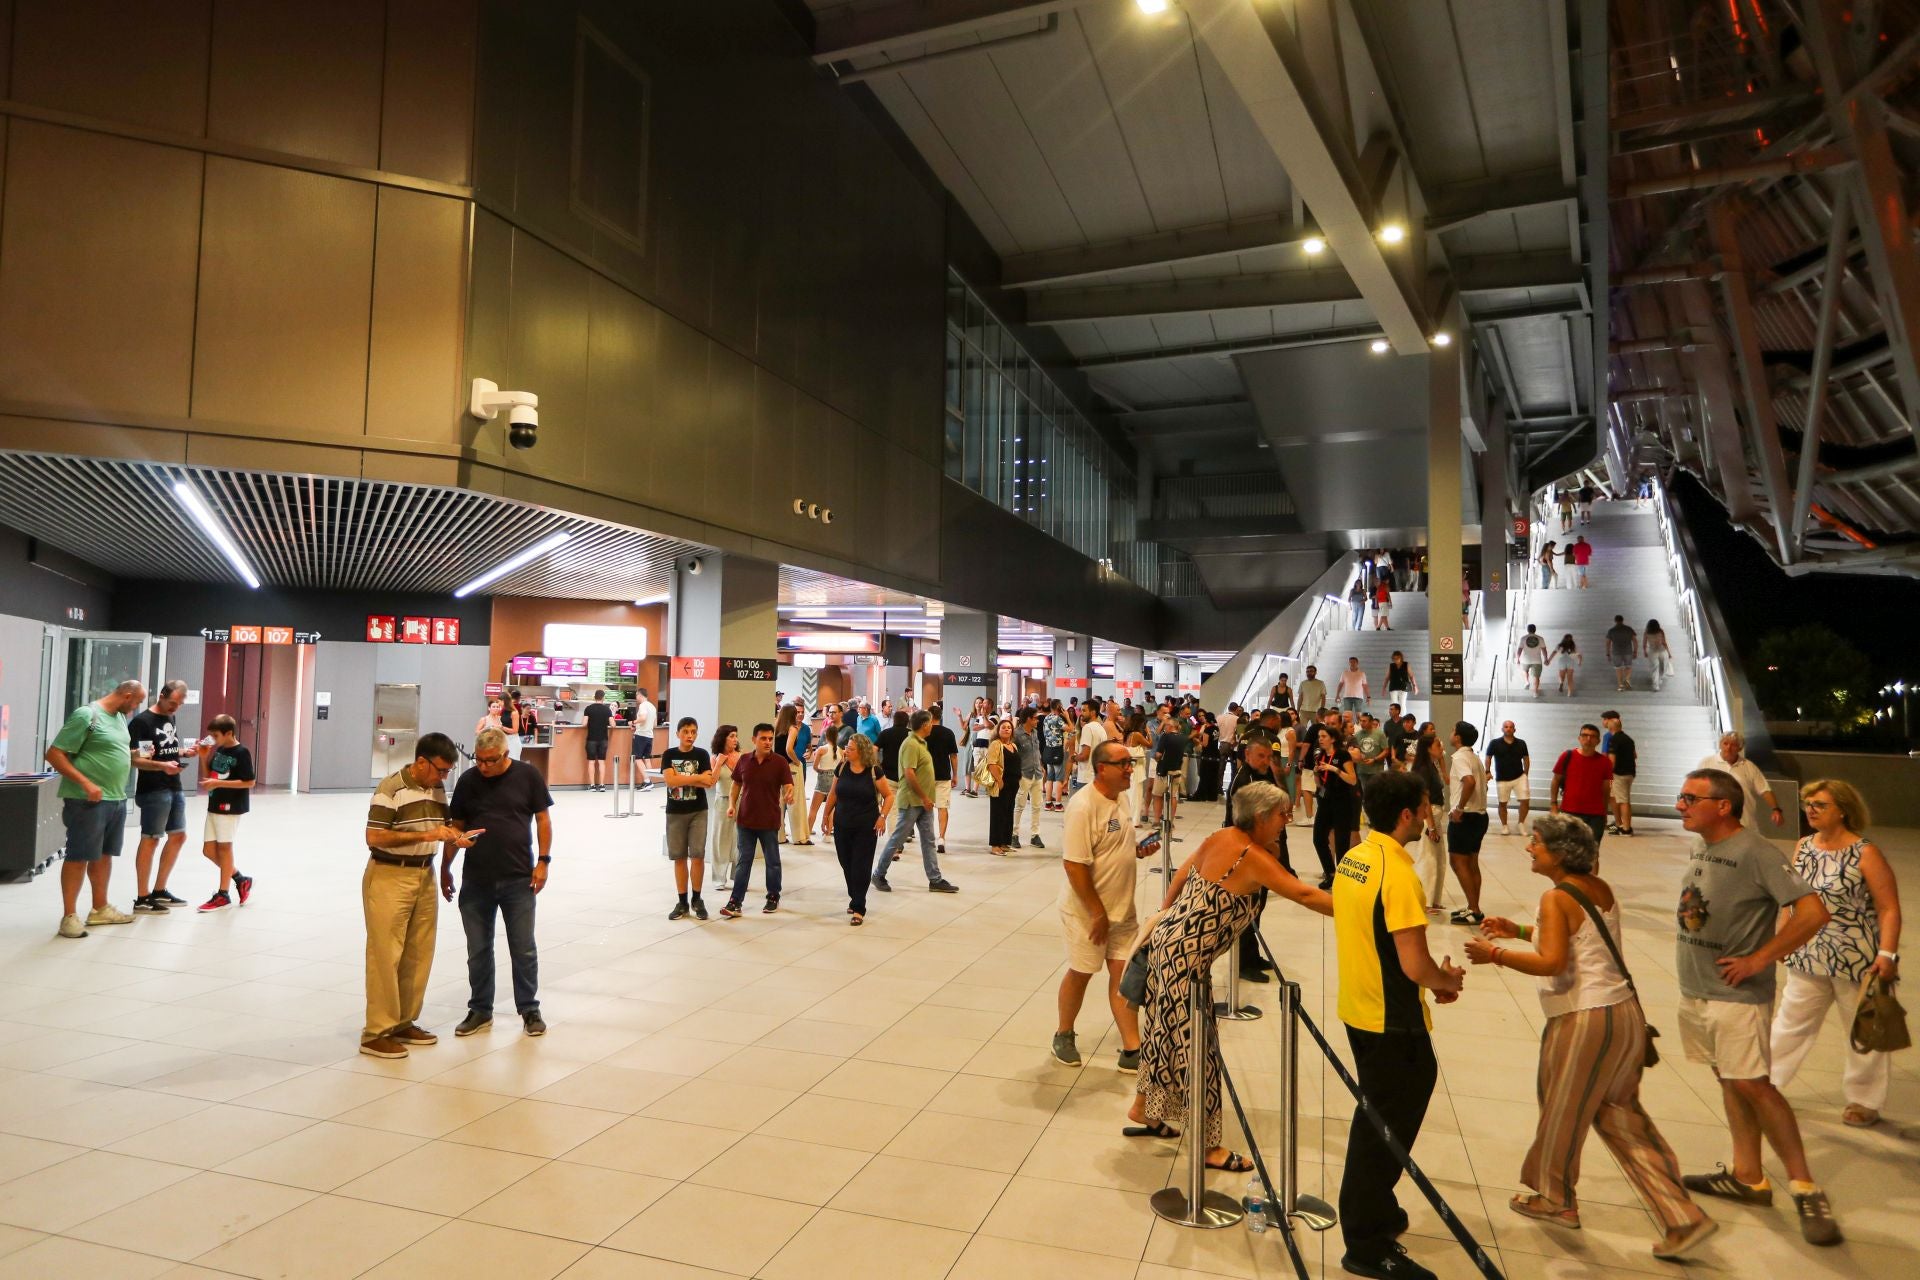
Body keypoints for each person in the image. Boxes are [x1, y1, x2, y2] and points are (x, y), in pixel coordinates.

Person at [1464, 814, 1716, 1259]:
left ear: (1560, 853)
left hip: (1584, 1019)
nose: (1529, 848)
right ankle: (1682, 1216)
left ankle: (1556, 1200)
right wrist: (1520, 930)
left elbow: (1554, 963)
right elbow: (1582, 941)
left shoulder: (1555, 897)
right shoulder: (1598, 887)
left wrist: (1496, 953)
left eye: (1537, 842)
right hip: (1623, 1016)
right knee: (1622, 1118)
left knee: (1562, 1109)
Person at [1671, 770, 1841, 1246]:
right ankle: (1748, 1176)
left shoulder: (1756, 851)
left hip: (1736, 995)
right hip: (1699, 987)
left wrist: (1761, 957)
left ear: (1723, 805)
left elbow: (1812, 912)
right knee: (1729, 1077)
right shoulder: (1702, 846)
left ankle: (1806, 1187)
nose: (1680, 805)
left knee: (1754, 1084)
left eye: (1690, 798)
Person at [1126, 781, 1331, 1160]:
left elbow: (1183, 874)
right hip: (1185, 961)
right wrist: (1364, 911)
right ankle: (1208, 1146)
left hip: (1168, 948)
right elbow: (1302, 893)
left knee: (1162, 1035)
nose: (1286, 821)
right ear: (1261, 817)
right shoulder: (1250, 856)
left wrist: (1165, 915)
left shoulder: (1222, 837)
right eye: (1281, 815)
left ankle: (1143, 1108)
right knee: (1196, 1050)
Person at [1333, 772, 1465, 1280]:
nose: (1428, 814)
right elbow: (1414, 964)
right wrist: (1444, 982)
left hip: (1359, 1007)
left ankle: (1380, 1211)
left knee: (1378, 1117)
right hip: (1392, 1019)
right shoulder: (1398, 873)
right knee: (1381, 1130)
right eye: (1426, 806)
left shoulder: (1356, 858)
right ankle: (1365, 1243)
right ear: (1408, 814)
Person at [1769, 779, 1902, 1129]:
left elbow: (1888, 908)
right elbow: (1792, 898)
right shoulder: (1804, 846)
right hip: (1808, 953)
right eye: (1807, 803)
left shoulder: (1865, 852)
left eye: (1820, 804)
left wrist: (1887, 953)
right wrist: (1781, 941)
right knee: (1790, 1024)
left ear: (1842, 810)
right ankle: (1766, 1084)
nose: (1810, 810)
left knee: (1863, 1031)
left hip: (1857, 959)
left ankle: (1864, 1100)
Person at [362, 732, 474, 1059]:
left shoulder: (435, 789)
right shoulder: (390, 789)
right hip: (389, 875)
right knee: (386, 954)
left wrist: (457, 836)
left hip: (423, 873)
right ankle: (376, 1032)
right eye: (440, 770)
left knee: (418, 951)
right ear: (421, 761)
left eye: (447, 772)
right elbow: (373, 836)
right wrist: (430, 834)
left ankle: (403, 1021)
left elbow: (444, 825)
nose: (443, 777)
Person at [1053, 740, 1160, 1069]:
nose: (1130, 769)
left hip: (1121, 911)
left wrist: (1138, 851)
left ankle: (1132, 1049)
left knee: (1123, 975)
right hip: (1087, 912)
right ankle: (1064, 1034)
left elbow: (1117, 843)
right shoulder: (1084, 806)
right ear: (1101, 769)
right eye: (1123, 764)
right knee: (1082, 971)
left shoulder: (1123, 798)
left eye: (1130, 763)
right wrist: (1097, 912)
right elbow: (1074, 865)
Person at [444, 727, 553, 1037]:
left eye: (490, 761)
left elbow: (543, 820)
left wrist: (543, 862)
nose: (484, 767)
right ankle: (480, 1009)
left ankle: (529, 1009)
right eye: (479, 760)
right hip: (476, 880)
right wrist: (445, 868)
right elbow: (456, 828)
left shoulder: (527, 776)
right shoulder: (468, 781)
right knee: (478, 949)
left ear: (506, 754)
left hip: (518, 878)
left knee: (523, 949)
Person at [45, 678, 146, 938]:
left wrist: (141, 758)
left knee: (104, 854)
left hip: (115, 798)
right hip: (86, 800)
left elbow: (116, 752)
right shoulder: (86, 715)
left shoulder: (120, 718)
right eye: (137, 702)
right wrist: (86, 783)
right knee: (79, 855)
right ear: (126, 695)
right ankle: (69, 916)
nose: (136, 707)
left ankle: (100, 908)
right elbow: (54, 754)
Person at [1225, 729, 1290, 983]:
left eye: (1268, 757)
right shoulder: (1243, 781)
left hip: (1262, 849)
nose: (1265, 761)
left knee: (1258, 906)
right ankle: (1243, 963)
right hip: (1246, 851)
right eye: (1261, 756)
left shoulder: (1263, 776)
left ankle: (1252, 955)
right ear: (1248, 754)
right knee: (1246, 908)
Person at [873, 711, 959, 894]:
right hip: (913, 801)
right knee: (897, 838)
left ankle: (935, 879)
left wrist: (926, 798)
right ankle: (878, 874)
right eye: (929, 723)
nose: (931, 726)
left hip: (923, 802)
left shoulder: (921, 743)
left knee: (928, 841)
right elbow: (909, 773)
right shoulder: (911, 744)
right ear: (925, 724)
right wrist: (924, 796)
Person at [130, 680, 194, 914]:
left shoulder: (170, 717)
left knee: (178, 836)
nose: (175, 708)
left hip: (173, 785)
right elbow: (137, 760)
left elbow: (161, 749)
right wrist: (162, 767)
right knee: (152, 838)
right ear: (162, 695)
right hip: (153, 789)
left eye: (179, 705)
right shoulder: (142, 722)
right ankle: (142, 896)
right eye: (172, 703)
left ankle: (159, 889)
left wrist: (182, 752)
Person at [719, 723, 794, 918]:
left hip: (769, 820)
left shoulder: (780, 762)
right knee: (744, 861)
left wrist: (789, 794)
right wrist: (732, 805)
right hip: (746, 820)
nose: (768, 742)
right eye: (763, 738)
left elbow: (788, 785)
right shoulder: (744, 760)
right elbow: (736, 784)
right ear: (754, 740)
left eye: (770, 738)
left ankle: (773, 895)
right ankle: (735, 901)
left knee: (772, 861)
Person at [823, 733, 891, 925]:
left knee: (860, 866)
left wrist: (882, 817)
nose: (846, 751)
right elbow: (833, 793)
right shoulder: (842, 767)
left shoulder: (874, 771)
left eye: (851, 749)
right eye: (846, 747)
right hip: (842, 825)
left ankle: (859, 907)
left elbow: (889, 796)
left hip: (865, 826)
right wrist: (826, 814)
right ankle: (855, 896)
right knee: (846, 863)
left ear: (861, 751)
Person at [196, 714, 257, 912]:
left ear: (228, 733)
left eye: (215, 735)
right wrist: (204, 757)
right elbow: (209, 778)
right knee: (208, 850)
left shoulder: (242, 752)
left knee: (224, 848)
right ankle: (240, 878)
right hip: (214, 804)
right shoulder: (220, 750)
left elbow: (250, 782)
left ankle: (223, 894)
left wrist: (219, 783)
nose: (212, 739)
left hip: (230, 806)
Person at [660, 717, 716, 921]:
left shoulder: (701, 754)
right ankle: (682, 901)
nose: (689, 736)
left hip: (698, 811)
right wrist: (697, 778)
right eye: (685, 732)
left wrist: (682, 779)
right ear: (678, 734)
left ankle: (697, 899)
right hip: (675, 812)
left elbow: (708, 781)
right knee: (679, 857)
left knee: (698, 855)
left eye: (693, 731)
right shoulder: (669, 754)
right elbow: (670, 780)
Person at [1445, 721, 1489, 927]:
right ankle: (1474, 907)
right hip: (1479, 816)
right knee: (1472, 862)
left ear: (1459, 737)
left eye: (1453, 730)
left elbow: (1469, 782)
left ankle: (1474, 909)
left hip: (1465, 817)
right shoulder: (1474, 757)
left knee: (1458, 862)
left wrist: (1459, 808)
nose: (1451, 732)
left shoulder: (1460, 757)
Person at [1695, 733, 1785, 832]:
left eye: (1733, 745)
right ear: (1720, 745)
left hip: (1744, 820)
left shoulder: (1748, 766)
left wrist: (1776, 809)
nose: (1728, 748)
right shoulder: (1707, 763)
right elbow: (1695, 786)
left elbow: (1764, 789)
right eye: (1725, 743)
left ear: (1740, 748)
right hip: (1714, 819)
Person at [1309, 724, 1359, 891]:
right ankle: (1330, 873)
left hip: (1342, 802)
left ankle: (1343, 879)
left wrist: (1334, 769)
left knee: (1341, 843)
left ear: (1333, 739)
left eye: (1323, 736)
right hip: (1325, 801)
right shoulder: (1320, 755)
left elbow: (1353, 780)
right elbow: (1319, 783)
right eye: (1319, 737)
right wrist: (1316, 772)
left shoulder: (1342, 755)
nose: (1320, 739)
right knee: (1318, 838)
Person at [1550, 724, 1613, 851]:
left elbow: (1606, 789)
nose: (1588, 739)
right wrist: (1553, 805)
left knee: (1592, 852)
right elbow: (1556, 780)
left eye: (1593, 736)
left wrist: (1604, 812)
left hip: (1595, 815)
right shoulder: (1567, 756)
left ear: (1598, 741)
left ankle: (1591, 872)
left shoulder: (1605, 762)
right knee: (1569, 851)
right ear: (1579, 738)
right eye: (1585, 735)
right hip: (1570, 812)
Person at [1408, 730, 1448, 910]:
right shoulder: (1423, 769)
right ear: (1428, 749)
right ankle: (1423, 900)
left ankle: (1435, 899)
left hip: (1437, 815)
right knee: (1428, 858)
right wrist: (1430, 826)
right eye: (1438, 745)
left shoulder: (1432, 765)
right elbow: (1425, 800)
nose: (1441, 748)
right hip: (1429, 815)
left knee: (1439, 858)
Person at [707, 725, 741, 888]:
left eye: (736, 736)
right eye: (732, 736)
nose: (735, 739)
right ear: (723, 738)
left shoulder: (741, 756)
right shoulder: (715, 758)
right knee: (720, 839)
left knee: (740, 840)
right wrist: (719, 763)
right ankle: (719, 878)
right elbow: (711, 783)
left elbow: (745, 779)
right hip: (722, 801)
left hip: (741, 801)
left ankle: (738, 875)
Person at [1485, 720, 1531, 836]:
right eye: (1506, 727)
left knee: (1525, 800)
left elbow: (1526, 758)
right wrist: (1487, 771)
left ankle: (1521, 823)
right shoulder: (1495, 743)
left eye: (1511, 727)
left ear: (1514, 729)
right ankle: (1504, 826)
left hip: (1519, 776)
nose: (1508, 729)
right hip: (1502, 778)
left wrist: (1526, 773)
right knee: (1502, 803)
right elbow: (1488, 757)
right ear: (1502, 729)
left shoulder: (1521, 743)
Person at [925, 704, 960, 852]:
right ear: (940, 716)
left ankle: (927, 837)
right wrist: (955, 774)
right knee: (942, 807)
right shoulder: (948, 733)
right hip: (943, 774)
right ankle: (941, 838)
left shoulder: (923, 732)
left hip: (926, 775)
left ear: (929, 716)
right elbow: (953, 756)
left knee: (926, 808)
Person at [1011, 707, 1046, 848]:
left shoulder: (1035, 733)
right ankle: (1014, 834)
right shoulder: (1017, 734)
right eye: (1036, 718)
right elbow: (1013, 755)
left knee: (1037, 806)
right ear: (1028, 719)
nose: (1038, 720)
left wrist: (1041, 765)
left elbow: (1036, 751)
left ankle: (1035, 835)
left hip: (1037, 774)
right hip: (1023, 775)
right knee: (1019, 805)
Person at [1149, 709, 1188, 828]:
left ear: (1171, 726)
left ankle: (1156, 821)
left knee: (1157, 795)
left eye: (1166, 725)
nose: (1165, 728)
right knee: (1173, 796)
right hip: (1176, 770)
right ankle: (1170, 822)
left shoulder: (1165, 736)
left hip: (1163, 770)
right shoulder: (1183, 738)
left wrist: (1157, 759)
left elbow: (1158, 754)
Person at [985, 719, 1019, 854]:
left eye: (1009, 728)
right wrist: (999, 780)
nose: (1006, 729)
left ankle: (1005, 842)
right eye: (1003, 727)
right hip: (1001, 783)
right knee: (998, 813)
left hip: (1013, 784)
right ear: (998, 730)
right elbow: (991, 763)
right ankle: (995, 845)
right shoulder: (995, 744)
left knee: (1008, 812)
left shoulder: (1013, 746)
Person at [1602, 711, 1637, 836]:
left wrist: (1607, 774)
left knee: (1623, 800)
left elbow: (1612, 760)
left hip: (1619, 774)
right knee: (1620, 798)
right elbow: (1635, 756)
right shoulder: (1629, 739)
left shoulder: (1613, 739)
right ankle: (1620, 825)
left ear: (1611, 727)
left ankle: (1626, 829)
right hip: (1630, 773)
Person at [805, 719, 840, 842]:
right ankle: (828, 834)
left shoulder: (821, 749)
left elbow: (814, 766)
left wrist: (819, 771)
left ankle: (807, 833)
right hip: (835, 780)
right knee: (830, 809)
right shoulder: (840, 750)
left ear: (825, 735)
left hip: (823, 778)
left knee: (814, 808)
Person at [1074, 701, 1109, 799]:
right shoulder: (1101, 729)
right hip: (1098, 777)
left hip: (1086, 777)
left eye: (1084, 710)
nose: (1081, 713)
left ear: (1093, 712)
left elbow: (1085, 755)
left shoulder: (1087, 728)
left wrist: (1074, 757)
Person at [582, 690, 614, 793]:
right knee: (601, 762)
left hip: (591, 738)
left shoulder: (588, 708)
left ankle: (592, 786)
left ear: (594, 697)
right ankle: (602, 785)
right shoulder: (607, 710)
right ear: (603, 697)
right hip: (603, 739)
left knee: (591, 762)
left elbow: (584, 724)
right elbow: (613, 724)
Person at [1350, 712, 1389, 794]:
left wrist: (1374, 759)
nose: (1362, 723)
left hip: (1376, 770)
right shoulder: (1357, 735)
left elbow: (1386, 751)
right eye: (1361, 721)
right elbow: (1354, 751)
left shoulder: (1379, 734)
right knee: (1366, 793)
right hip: (1362, 770)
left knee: (1377, 793)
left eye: (1364, 721)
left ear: (1371, 722)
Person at [1042, 700, 1069, 811]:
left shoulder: (1046, 718)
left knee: (1050, 777)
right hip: (1057, 750)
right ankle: (1058, 804)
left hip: (1048, 749)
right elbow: (1071, 729)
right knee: (1059, 778)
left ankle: (1048, 803)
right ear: (1058, 707)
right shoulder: (1058, 719)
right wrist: (1067, 716)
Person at [630, 689, 658, 791]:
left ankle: (647, 781)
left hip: (641, 735)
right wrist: (638, 725)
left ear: (640, 695)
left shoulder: (643, 705)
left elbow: (643, 718)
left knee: (637, 758)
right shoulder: (652, 707)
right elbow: (654, 724)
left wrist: (633, 722)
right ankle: (648, 782)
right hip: (649, 736)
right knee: (646, 758)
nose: (636, 698)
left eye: (636, 695)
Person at [875, 708, 910, 783]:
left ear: (894, 721)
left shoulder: (885, 733)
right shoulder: (911, 734)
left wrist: (877, 764)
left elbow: (874, 749)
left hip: (888, 774)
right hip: (906, 774)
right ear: (907, 722)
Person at [967, 699, 993, 799]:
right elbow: (974, 728)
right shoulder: (979, 717)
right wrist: (984, 724)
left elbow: (989, 725)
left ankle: (990, 788)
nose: (982, 704)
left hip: (988, 745)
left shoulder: (994, 716)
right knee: (977, 767)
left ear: (990, 705)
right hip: (978, 744)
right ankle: (974, 791)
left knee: (989, 767)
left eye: (985, 703)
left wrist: (985, 718)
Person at [1604, 615, 1638, 692]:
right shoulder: (1629, 629)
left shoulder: (1611, 631)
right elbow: (1635, 641)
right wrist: (1635, 651)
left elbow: (1608, 643)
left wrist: (1608, 654)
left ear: (1615, 621)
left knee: (1618, 668)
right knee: (1628, 667)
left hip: (1616, 652)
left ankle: (1620, 686)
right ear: (1623, 620)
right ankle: (1627, 680)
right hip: (1628, 651)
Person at [1516, 624, 1549, 698]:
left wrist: (1518, 659)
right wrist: (1546, 658)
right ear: (1535, 630)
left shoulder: (1523, 638)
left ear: (1528, 630)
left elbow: (1519, 650)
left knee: (1524, 671)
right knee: (1536, 677)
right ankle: (1535, 692)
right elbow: (1544, 650)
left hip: (1525, 660)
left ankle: (1527, 682)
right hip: (1537, 660)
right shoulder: (1540, 638)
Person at [1644, 619, 1674, 692]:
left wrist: (1645, 651)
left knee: (1655, 668)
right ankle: (1659, 678)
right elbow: (1664, 642)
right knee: (1662, 667)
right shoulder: (1661, 631)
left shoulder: (1646, 633)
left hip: (1652, 652)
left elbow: (1644, 643)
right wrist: (1669, 653)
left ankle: (1656, 685)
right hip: (1662, 651)